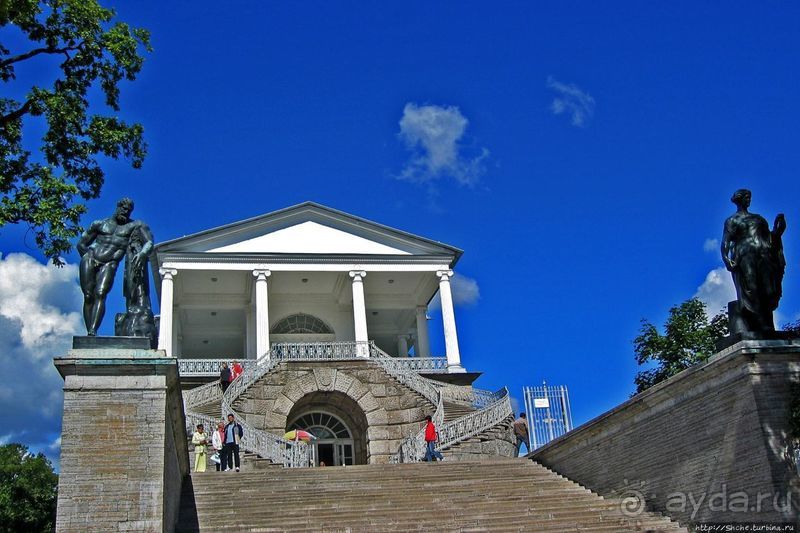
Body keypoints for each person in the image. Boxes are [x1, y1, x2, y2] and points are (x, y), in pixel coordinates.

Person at [77, 197, 154, 335]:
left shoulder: (134, 226)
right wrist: (87, 256)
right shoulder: (100, 224)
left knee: (101, 293)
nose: (126, 212)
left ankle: (92, 331)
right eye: (124, 209)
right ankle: (89, 329)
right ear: (117, 207)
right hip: (90, 258)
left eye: (129, 211)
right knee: (88, 296)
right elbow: (81, 244)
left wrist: (142, 254)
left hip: (110, 263)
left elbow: (149, 242)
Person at [721, 189, 786, 333]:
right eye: (746, 197)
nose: (748, 200)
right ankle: (762, 325)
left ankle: (766, 324)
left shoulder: (759, 219)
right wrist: (726, 259)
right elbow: (725, 242)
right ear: (740, 199)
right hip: (744, 256)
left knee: (768, 289)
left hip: (764, 255)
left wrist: (778, 231)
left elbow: (770, 238)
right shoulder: (733, 220)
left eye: (749, 197)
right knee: (751, 288)